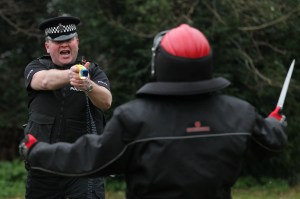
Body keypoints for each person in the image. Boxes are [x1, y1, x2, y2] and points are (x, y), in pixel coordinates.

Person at [20, 24, 287, 199]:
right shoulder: (239, 114)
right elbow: (271, 142)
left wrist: (35, 150)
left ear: (158, 64)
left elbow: (91, 158)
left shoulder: (136, 118)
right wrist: (274, 123)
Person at [22, 14, 112, 199]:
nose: (64, 45)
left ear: (77, 42)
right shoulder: (35, 67)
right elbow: (44, 81)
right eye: (57, 41)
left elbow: (106, 101)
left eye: (69, 39)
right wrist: (71, 75)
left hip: (84, 167)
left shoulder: (92, 72)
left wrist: (88, 85)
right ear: (47, 46)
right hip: (43, 167)